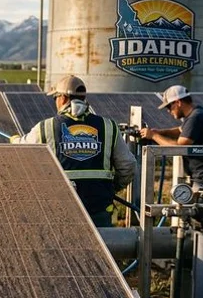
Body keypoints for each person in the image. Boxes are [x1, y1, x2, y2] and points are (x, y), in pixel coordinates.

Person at [10, 75, 136, 227]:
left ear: (62, 98)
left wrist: (14, 139)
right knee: (103, 248)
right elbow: (128, 165)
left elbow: (21, 149)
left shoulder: (46, 127)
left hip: (59, 211)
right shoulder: (108, 126)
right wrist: (110, 188)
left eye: (55, 97)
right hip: (99, 210)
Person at [139, 85, 203, 204]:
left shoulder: (196, 117)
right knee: (196, 217)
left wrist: (153, 136)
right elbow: (181, 130)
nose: (169, 111)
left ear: (178, 102)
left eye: (169, 106)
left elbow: (179, 148)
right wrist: (159, 132)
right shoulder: (196, 114)